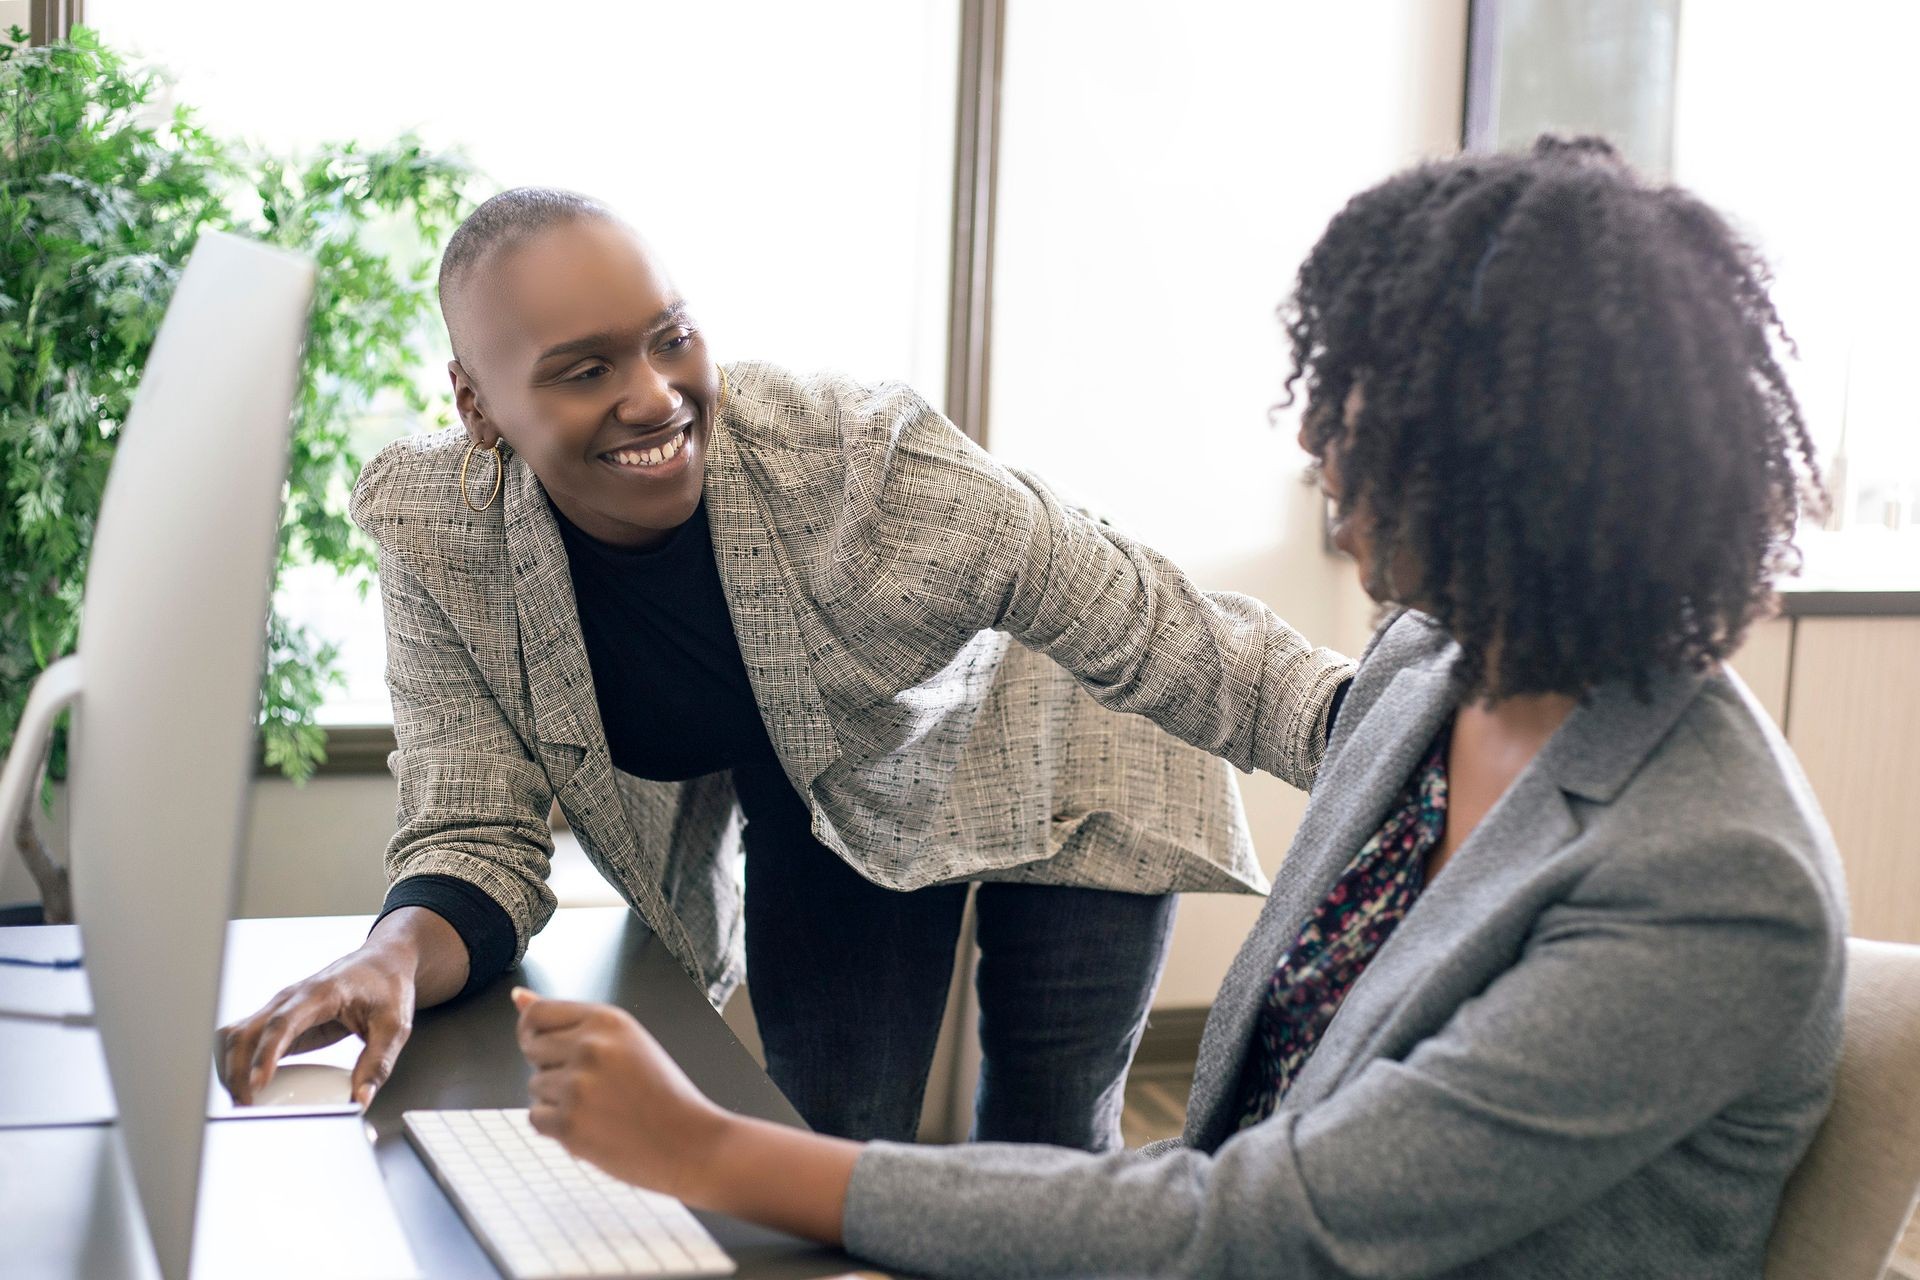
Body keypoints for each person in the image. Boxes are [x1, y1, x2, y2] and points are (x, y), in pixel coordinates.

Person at [505, 136, 1848, 1278]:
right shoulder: (1435, 676)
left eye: (1374, 434)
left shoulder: (1707, 871)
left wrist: (717, 1150)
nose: (1322, 460)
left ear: (1533, 475)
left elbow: (1274, 1222)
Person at [215, 188, 1354, 1148]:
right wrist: (393, 951)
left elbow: (1160, 629)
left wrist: (1408, 732)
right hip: (831, 775)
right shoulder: (439, 532)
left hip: (1063, 718)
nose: (655, 395)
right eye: (582, 368)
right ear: (478, 404)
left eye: (671, 336)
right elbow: (474, 831)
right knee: (827, 1135)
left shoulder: (855, 460)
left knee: (1047, 1142)